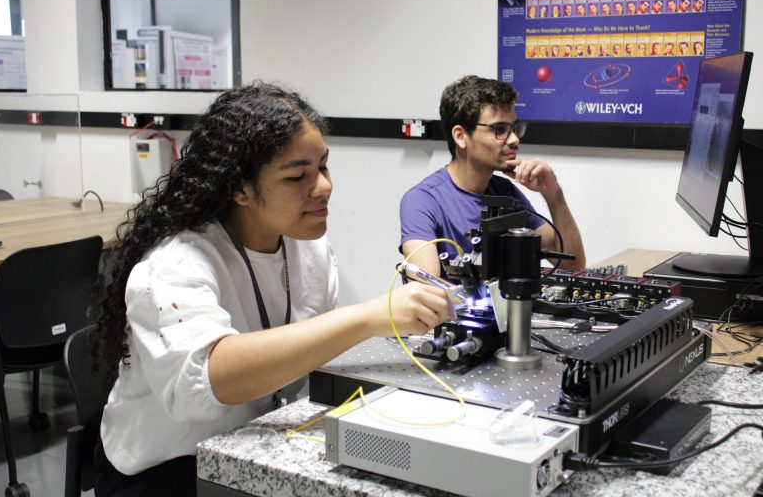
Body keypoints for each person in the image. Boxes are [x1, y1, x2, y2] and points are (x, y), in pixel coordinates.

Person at [91, 82, 453, 496]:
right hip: (165, 467)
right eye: (298, 175)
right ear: (241, 188)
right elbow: (209, 380)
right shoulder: (176, 263)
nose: (324, 187)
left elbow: (306, 349)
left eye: (324, 167)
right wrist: (369, 317)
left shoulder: (308, 247)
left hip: (250, 439)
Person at [399, 76, 586, 279]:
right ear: (461, 136)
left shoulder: (505, 192)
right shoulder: (422, 201)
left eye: (514, 128)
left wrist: (553, 193)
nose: (514, 139)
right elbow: (428, 289)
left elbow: (572, 265)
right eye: (499, 130)